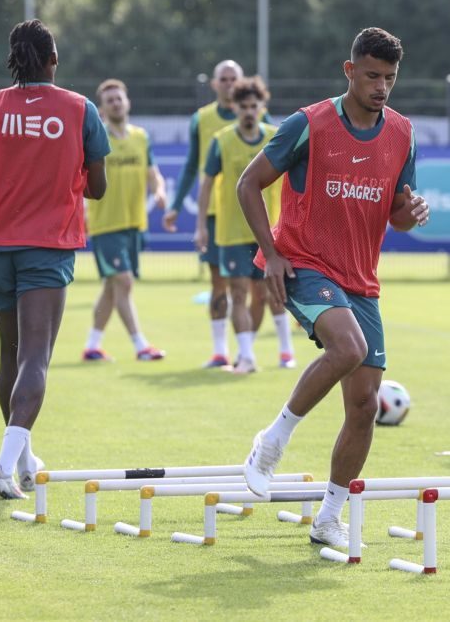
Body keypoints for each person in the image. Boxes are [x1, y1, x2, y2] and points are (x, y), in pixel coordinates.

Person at [236, 28, 429, 547]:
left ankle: (329, 518)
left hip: (360, 279)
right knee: (349, 347)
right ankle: (271, 443)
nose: (382, 87)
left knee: (364, 405)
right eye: (372, 76)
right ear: (349, 71)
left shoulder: (403, 134)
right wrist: (271, 255)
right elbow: (248, 184)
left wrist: (410, 214)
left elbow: (398, 215)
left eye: (390, 78)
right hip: (304, 263)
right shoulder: (310, 123)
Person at [0, 19, 109, 499]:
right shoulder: (79, 109)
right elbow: (98, 187)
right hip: (48, 247)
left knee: (9, 354)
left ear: (13, 60)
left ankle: (25, 460)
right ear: (53, 59)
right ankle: (2, 467)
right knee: (36, 356)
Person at [196, 76, 296, 373]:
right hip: (231, 232)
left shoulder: (276, 137)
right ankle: (247, 356)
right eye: (244, 106)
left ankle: (286, 352)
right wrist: (201, 225)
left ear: (262, 106)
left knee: (272, 291)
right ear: (235, 107)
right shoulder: (222, 141)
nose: (250, 111)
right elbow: (206, 184)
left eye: (255, 105)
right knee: (237, 293)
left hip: (269, 230)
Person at [162, 60, 242, 368]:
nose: (229, 84)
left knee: (251, 287)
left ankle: (248, 350)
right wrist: (176, 205)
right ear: (214, 84)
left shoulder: (256, 115)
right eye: (224, 79)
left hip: (247, 214)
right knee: (219, 283)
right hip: (213, 214)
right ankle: (221, 350)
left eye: (233, 78)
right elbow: (190, 165)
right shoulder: (202, 119)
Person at [82, 79, 167, 362]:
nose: (116, 103)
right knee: (124, 281)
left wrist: (160, 192)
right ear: (102, 110)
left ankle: (92, 345)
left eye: (119, 98)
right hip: (106, 224)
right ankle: (140, 345)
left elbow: (153, 173)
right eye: (110, 100)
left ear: (127, 102)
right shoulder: (96, 137)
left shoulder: (140, 137)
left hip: (133, 223)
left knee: (112, 286)